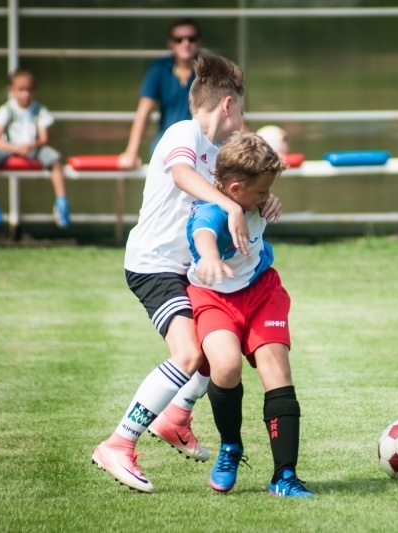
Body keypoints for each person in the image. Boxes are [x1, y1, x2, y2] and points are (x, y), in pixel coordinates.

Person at [92, 52, 281, 494]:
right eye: (243, 107)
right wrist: (230, 204)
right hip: (153, 265)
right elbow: (180, 174)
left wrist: (264, 201)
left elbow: (242, 190)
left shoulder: (219, 154)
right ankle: (118, 443)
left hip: (185, 270)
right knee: (189, 354)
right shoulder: (184, 132)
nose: (245, 119)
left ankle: (176, 416)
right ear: (228, 105)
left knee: (218, 347)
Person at [186, 131, 314, 498]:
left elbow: (260, 194)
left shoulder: (251, 197)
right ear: (236, 189)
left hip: (261, 292)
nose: (267, 198)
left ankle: (284, 476)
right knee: (225, 367)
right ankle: (230, 447)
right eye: (262, 192)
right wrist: (209, 257)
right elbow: (203, 234)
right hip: (214, 296)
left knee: (277, 370)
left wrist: (267, 199)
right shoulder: (211, 210)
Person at [0, 69, 70, 227]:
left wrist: (31, 145)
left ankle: (62, 203)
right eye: (21, 90)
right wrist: (14, 149)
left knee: (56, 159)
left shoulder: (40, 110)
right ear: (12, 91)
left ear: (34, 91)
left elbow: (44, 139)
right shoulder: (6, 110)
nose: (25, 94)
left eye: (29, 90)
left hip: (33, 149)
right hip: (9, 148)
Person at [118, 18, 202, 169]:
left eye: (191, 38)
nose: (186, 43)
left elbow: (228, 106)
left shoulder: (210, 69)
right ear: (170, 43)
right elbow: (144, 112)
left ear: (199, 42)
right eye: (179, 39)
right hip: (167, 139)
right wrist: (131, 152)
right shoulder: (159, 68)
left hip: (202, 140)